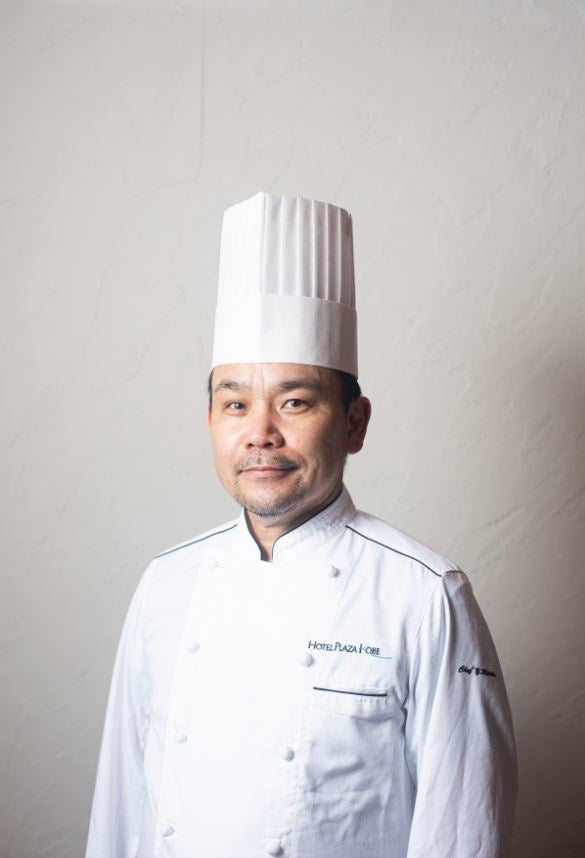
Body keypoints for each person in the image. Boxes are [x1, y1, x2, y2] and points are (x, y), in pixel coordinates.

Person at [85, 192, 517, 858]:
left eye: (294, 401)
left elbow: (463, 834)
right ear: (210, 422)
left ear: (354, 424)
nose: (260, 433)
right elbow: (120, 808)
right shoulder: (166, 582)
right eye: (235, 404)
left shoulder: (426, 595)